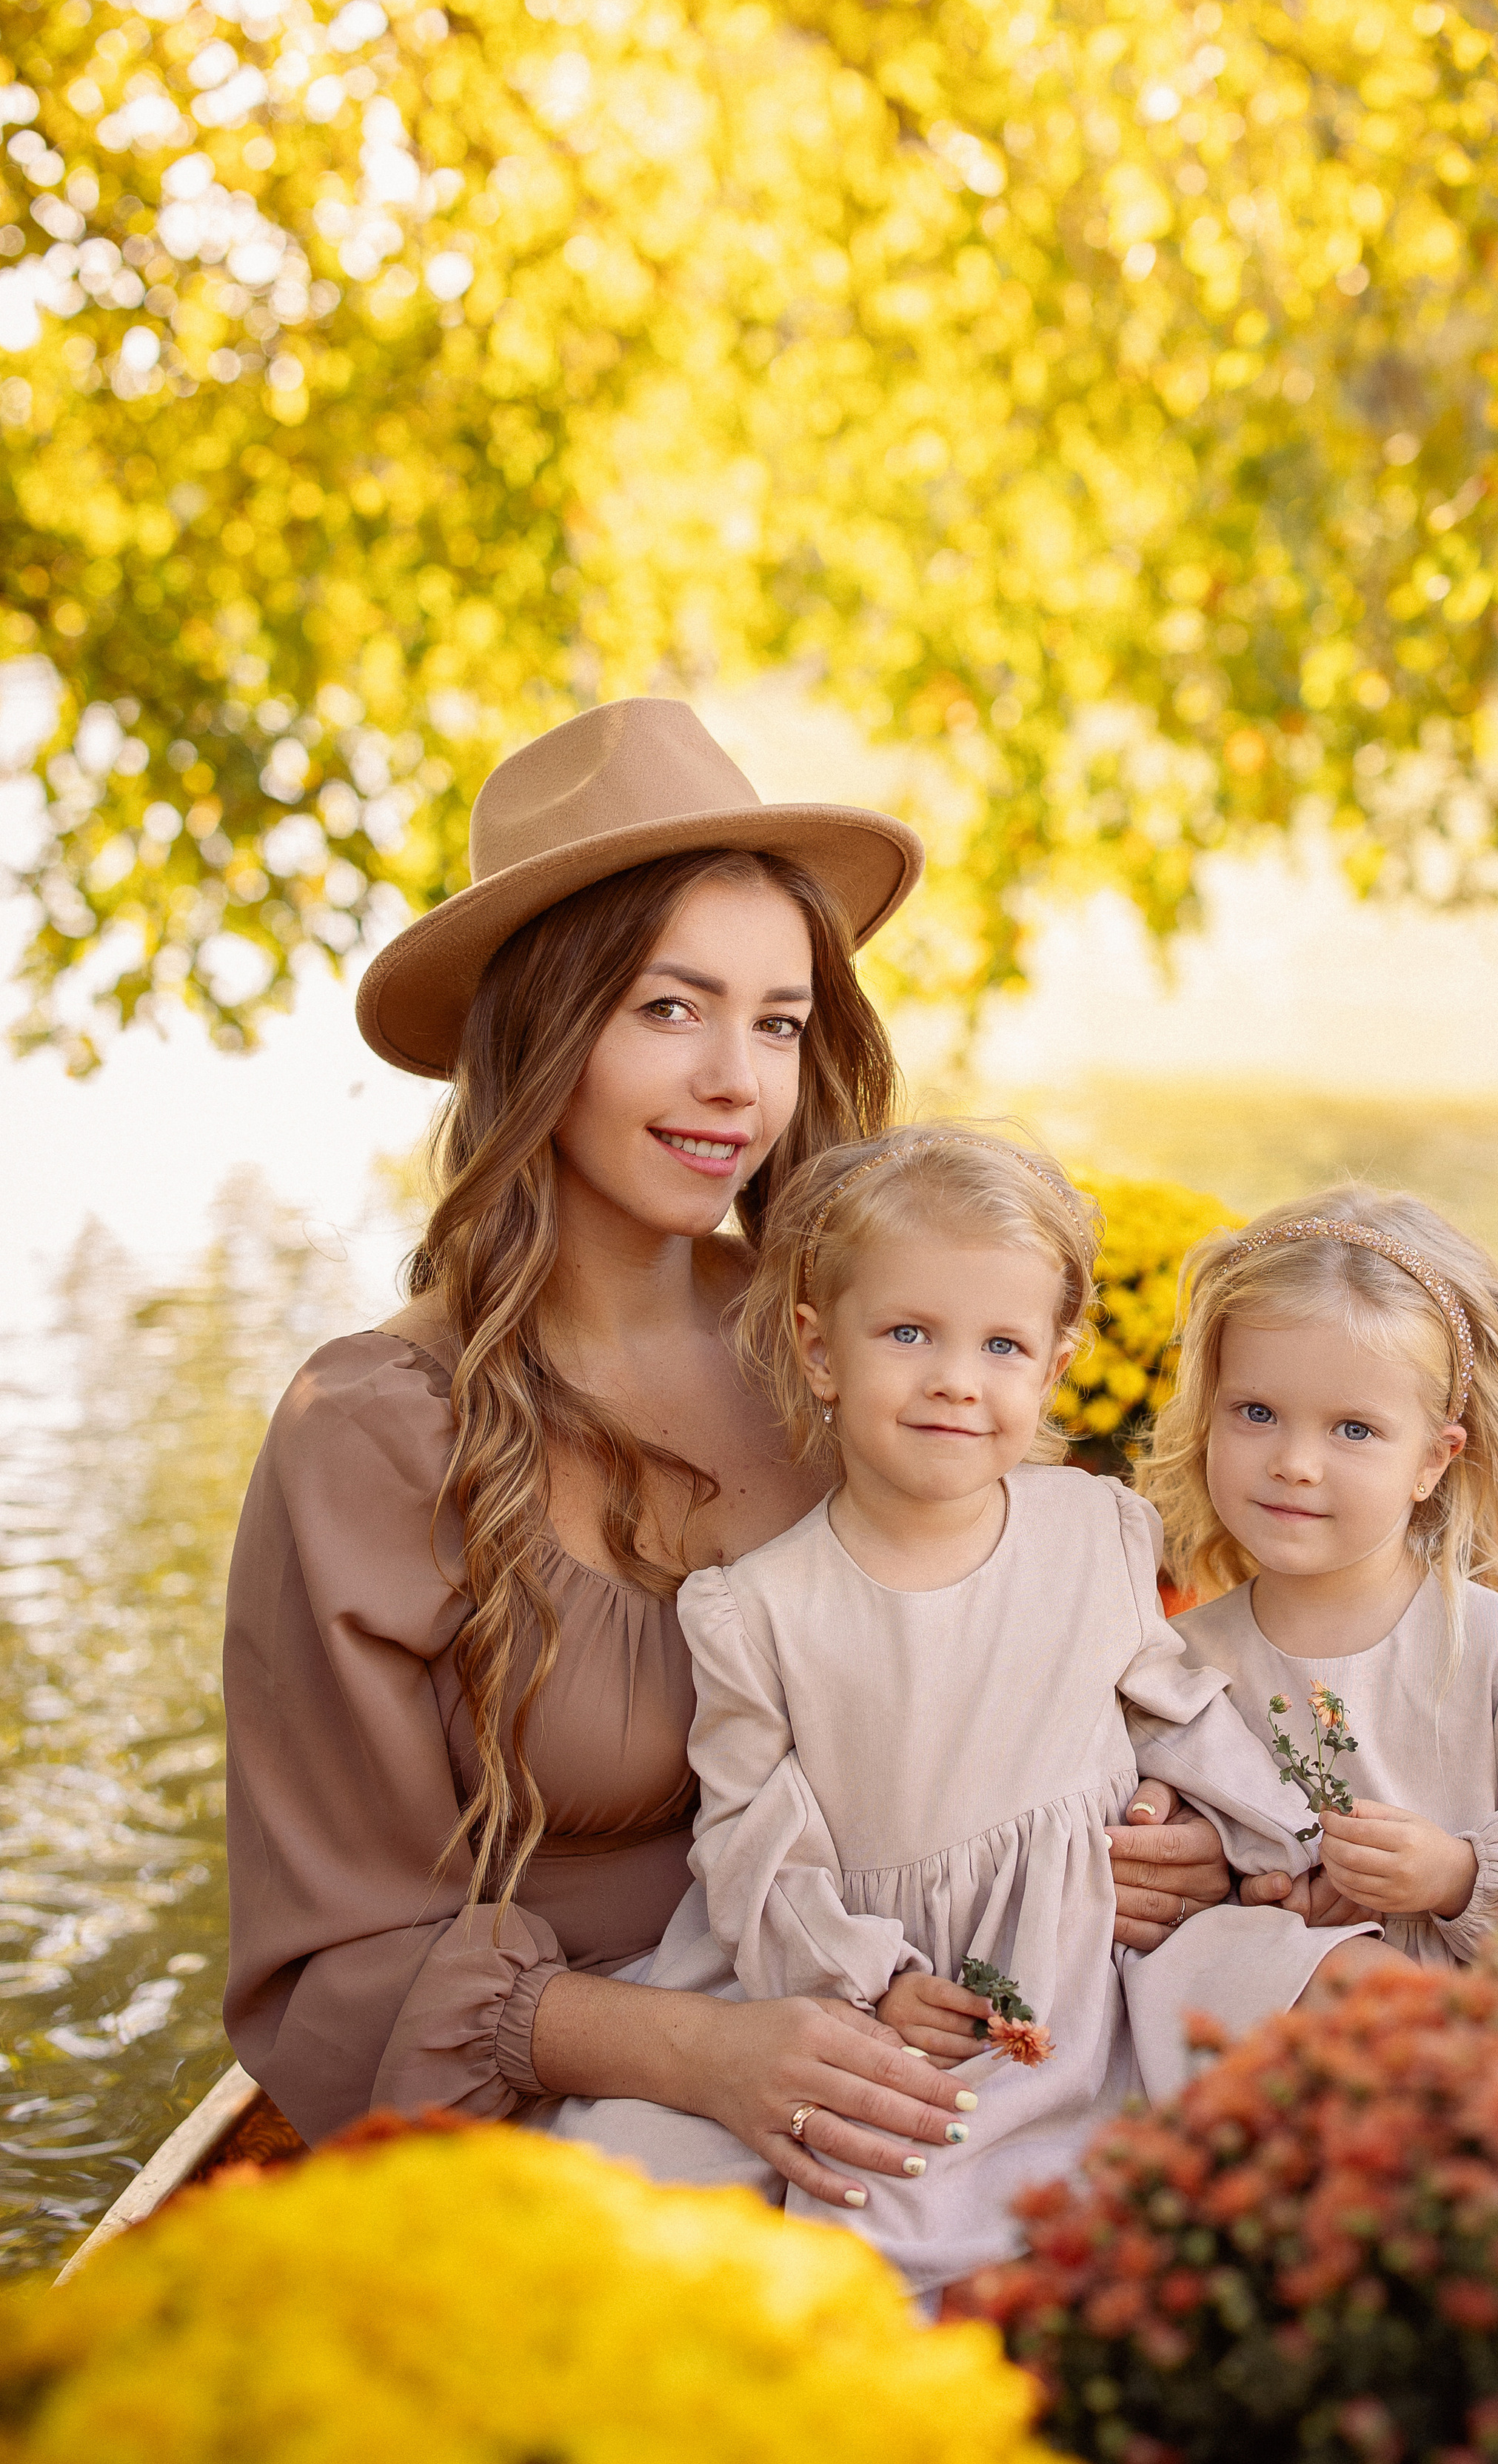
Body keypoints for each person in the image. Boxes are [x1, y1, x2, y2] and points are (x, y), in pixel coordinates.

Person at [220, 699, 1233, 2210]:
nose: (737, 1087)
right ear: (542, 1031)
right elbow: (338, 1957)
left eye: (776, 1021)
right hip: (602, 2092)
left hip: (957, 2008)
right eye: (668, 1010)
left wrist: (1160, 1830)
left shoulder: (847, 1345)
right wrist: (705, 2056)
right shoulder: (372, 1433)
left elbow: (1024, 1647)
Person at [554, 1125, 1368, 2294]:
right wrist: (868, 1976)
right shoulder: (759, 1608)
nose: (955, 1379)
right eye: (907, 1335)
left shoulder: (1094, 1530)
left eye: (1001, 1344)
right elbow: (752, 1842)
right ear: (817, 1348)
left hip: (1095, 1955)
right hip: (903, 1982)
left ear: (1053, 1363)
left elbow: (1176, 1710)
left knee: (1290, 2067)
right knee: (839, 2206)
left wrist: (1263, 1842)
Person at [1137, 1181, 1498, 2042]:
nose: (1295, 1463)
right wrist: (1241, 1891)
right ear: (1207, 1419)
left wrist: (1460, 1878)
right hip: (1312, 2061)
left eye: (1353, 1430)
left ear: (1432, 1460)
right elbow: (1176, 1892)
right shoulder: (1181, 1667)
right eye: (1257, 1413)